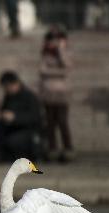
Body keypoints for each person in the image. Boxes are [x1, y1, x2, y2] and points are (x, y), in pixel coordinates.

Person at [0, 71, 43, 162]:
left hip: (29, 130)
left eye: (8, 86)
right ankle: (5, 157)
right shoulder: (9, 97)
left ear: (16, 83)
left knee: (13, 140)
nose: (7, 89)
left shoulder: (29, 96)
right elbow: (4, 110)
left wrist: (15, 117)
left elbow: (35, 118)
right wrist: (0, 115)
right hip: (13, 128)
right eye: (5, 87)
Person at [39, 27, 74, 162]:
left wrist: (60, 50)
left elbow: (67, 67)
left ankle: (68, 148)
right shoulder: (45, 54)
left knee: (62, 121)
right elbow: (42, 70)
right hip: (48, 92)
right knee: (50, 122)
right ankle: (52, 148)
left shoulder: (65, 53)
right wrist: (58, 72)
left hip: (62, 93)